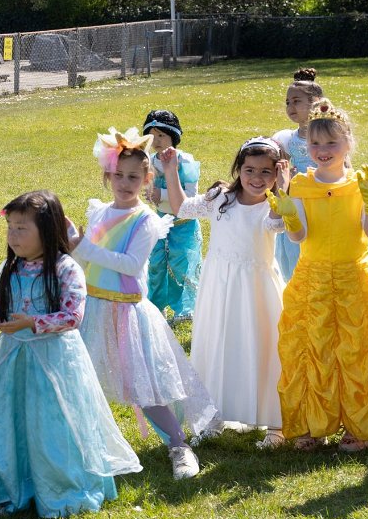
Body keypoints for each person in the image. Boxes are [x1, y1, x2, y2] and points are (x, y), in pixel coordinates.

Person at [0, 191, 141, 518]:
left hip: (55, 363)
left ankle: (61, 491)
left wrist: (34, 323)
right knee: (13, 422)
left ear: (48, 229)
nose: (13, 236)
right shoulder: (10, 269)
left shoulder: (66, 268)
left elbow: (73, 316)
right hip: (15, 361)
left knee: (51, 425)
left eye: (21, 228)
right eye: (10, 228)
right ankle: (15, 490)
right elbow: (1, 308)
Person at [269, 99, 368, 452]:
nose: (322, 151)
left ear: (348, 143)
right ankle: (312, 425)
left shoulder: (358, 183)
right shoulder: (302, 185)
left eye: (331, 143)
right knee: (313, 349)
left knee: (357, 349)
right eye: (315, 144)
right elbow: (298, 236)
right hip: (314, 279)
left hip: (354, 277)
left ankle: (359, 426)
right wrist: (289, 212)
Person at [71, 127, 217, 479]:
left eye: (134, 176)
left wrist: (80, 245)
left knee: (145, 385)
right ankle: (83, 446)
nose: (125, 182)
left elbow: (131, 265)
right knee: (83, 380)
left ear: (146, 178)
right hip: (92, 309)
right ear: (108, 175)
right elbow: (84, 264)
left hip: (127, 312)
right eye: (118, 175)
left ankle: (178, 445)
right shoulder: (99, 212)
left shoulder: (146, 219)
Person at [161, 137, 288, 448]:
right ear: (238, 169)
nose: (257, 179)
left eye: (266, 172)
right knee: (219, 344)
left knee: (261, 345)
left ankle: (276, 424)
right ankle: (212, 415)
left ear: (276, 174)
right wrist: (170, 170)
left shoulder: (274, 204)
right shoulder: (221, 198)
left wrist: (284, 189)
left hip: (256, 287)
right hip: (219, 284)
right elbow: (181, 208)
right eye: (250, 170)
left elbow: (276, 225)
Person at [142, 109, 202, 323]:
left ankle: (185, 307)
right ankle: (157, 305)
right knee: (156, 264)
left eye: (162, 135)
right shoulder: (148, 161)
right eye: (152, 135)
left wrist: (163, 194)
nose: (157, 141)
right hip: (160, 222)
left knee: (181, 264)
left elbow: (191, 197)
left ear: (173, 137)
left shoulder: (184, 161)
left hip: (183, 223)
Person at [272, 67, 323, 281]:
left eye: (296, 101)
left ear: (315, 103)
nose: (290, 107)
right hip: (294, 197)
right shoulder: (286, 138)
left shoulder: (324, 135)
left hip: (319, 196)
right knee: (292, 246)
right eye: (287, 102)